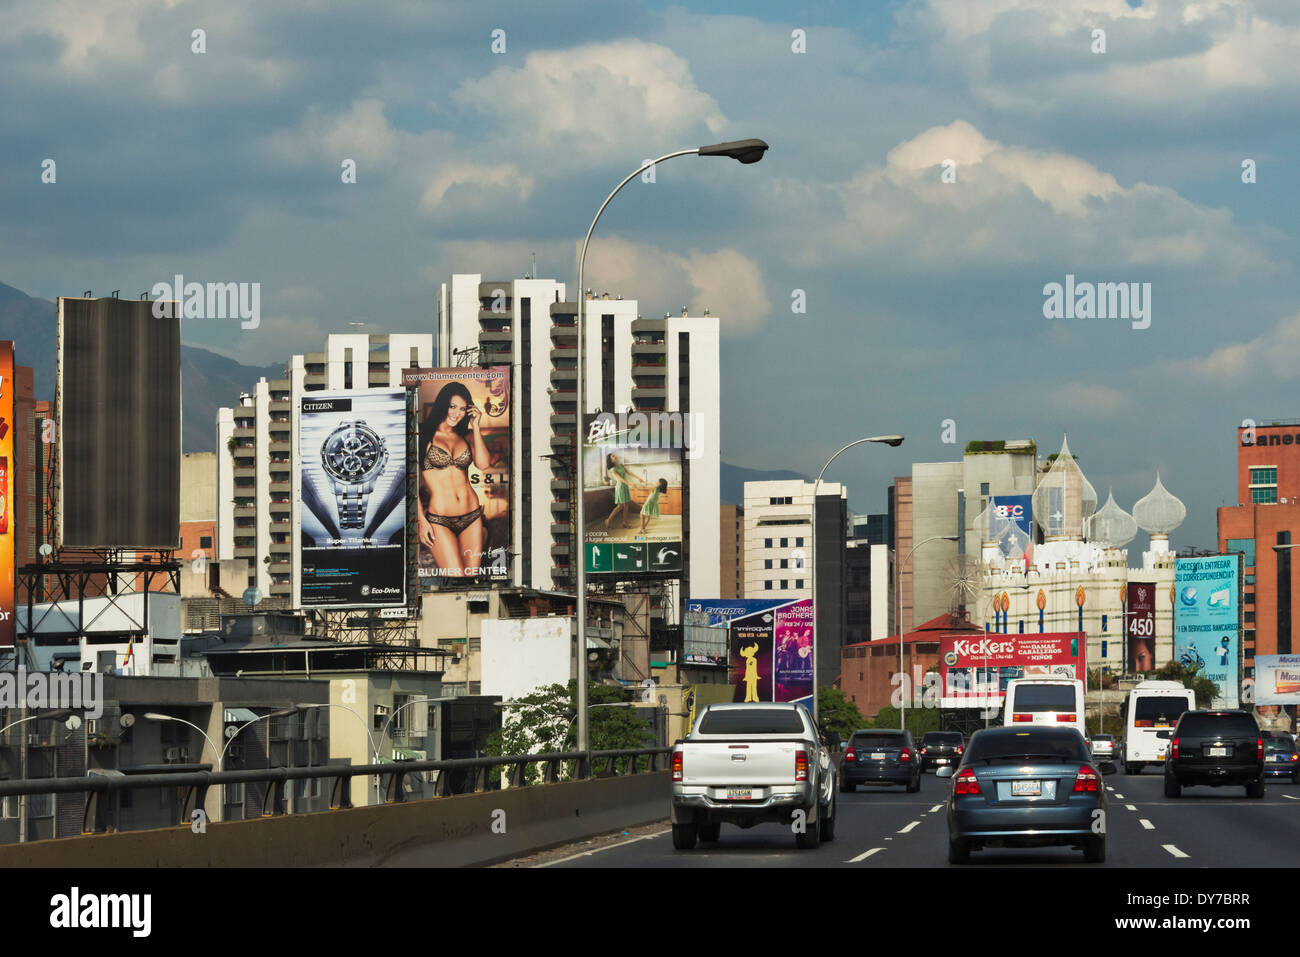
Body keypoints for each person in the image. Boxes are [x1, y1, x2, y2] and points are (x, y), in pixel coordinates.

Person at [417, 382, 491, 576]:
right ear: (443, 405)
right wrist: (421, 521)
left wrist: (476, 427)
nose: (457, 413)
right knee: (455, 576)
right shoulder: (422, 435)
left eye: (462, 409)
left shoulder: (466, 436)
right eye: (453, 406)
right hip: (439, 520)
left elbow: (483, 464)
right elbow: (407, 481)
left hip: (472, 515)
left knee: (471, 577)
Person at [600, 452, 647, 531]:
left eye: (615, 455)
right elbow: (620, 479)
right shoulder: (612, 469)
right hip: (620, 487)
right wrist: (629, 484)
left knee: (626, 505)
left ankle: (625, 522)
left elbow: (629, 472)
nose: (615, 456)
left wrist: (638, 478)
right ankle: (608, 520)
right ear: (611, 460)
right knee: (620, 506)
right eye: (613, 456)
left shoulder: (621, 465)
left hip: (625, 486)